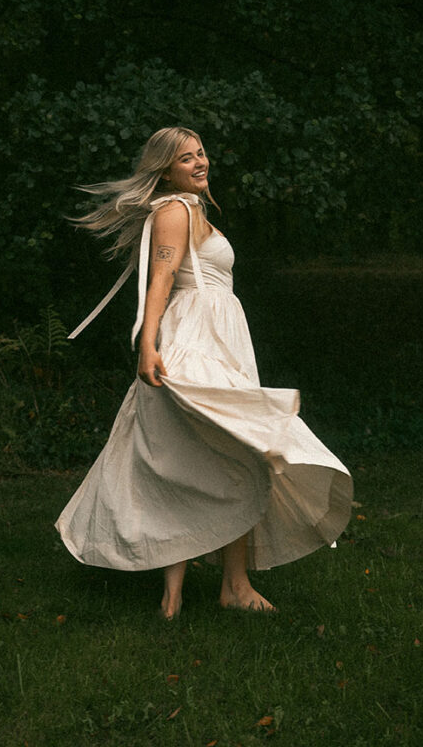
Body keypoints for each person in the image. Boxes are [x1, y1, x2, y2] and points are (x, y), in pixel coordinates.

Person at [56, 126, 353, 617]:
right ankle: (218, 588)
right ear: (166, 170)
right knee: (234, 451)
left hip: (217, 335)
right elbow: (162, 277)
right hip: (196, 337)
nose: (200, 163)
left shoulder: (193, 211)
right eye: (186, 159)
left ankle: (208, 590)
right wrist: (147, 344)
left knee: (200, 455)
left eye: (201, 154)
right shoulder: (176, 211)